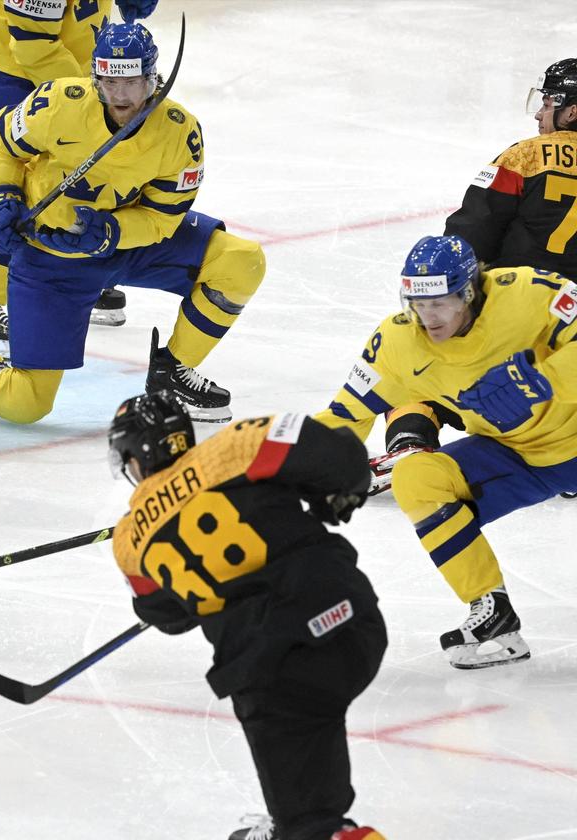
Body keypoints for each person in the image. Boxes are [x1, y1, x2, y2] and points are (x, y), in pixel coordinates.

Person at [0, 22, 265, 425]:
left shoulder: (181, 133)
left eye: (131, 81)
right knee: (25, 402)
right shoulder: (59, 102)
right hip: (51, 260)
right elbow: (2, 144)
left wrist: (114, 234)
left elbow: (163, 218)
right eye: (108, 81)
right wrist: (2, 196)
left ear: (153, 77)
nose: (119, 94)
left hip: (126, 246)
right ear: (95, 76)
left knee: (241, 260)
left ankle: (172, 372)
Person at [107, 392, 386, 840]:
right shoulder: (237, 445)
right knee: (313, 775)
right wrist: (333, 494)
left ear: (133, 458)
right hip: (353, 619)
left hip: (275, 666)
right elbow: (343, 455)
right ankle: (307, 822)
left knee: (310, 822)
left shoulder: (128, 540)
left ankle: (307, 825)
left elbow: (167, 617)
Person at [316, 235, 577, 669]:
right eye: (416, 303)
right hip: (517, 457)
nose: (427, 317)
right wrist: (268, 467)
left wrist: (542, 380)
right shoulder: (397, 343)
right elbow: (343, 415)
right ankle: (494, 614)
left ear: (468, 292)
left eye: (438, 303)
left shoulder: (531, 292)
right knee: (416, 477)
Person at [374, 59, 577, 476]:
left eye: (547, 102)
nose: (539, 113)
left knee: (414, 350)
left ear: (572, 110)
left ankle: (411, 438)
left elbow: (469, 237)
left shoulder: (525, 156)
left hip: (515, 309)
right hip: (571, 329)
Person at [0, 0, 157, 357]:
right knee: (26, 178)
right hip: (3, 66)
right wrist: (96, 98)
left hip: (70, 56)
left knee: (80, 164)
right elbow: (33, 44)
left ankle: (72, 272)